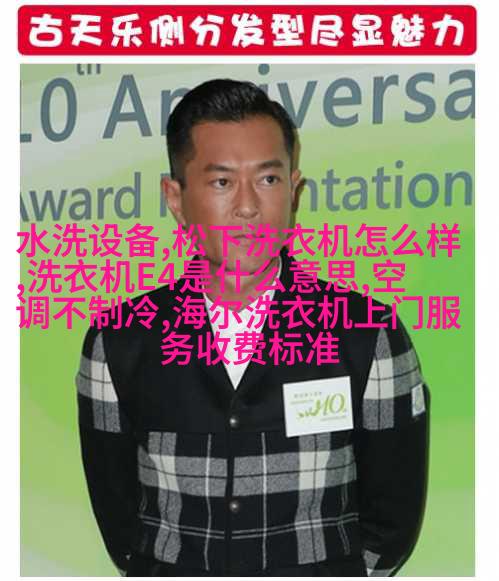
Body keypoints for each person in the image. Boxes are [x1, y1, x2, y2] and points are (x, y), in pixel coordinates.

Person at [76, 79, 429, 577]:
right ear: (175, 198)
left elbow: (391, 519)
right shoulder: (119, 340)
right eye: (221, 182)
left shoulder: (367, 333)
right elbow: (118, 515)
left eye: (268, 179)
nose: (247, 206)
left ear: (294, 190)